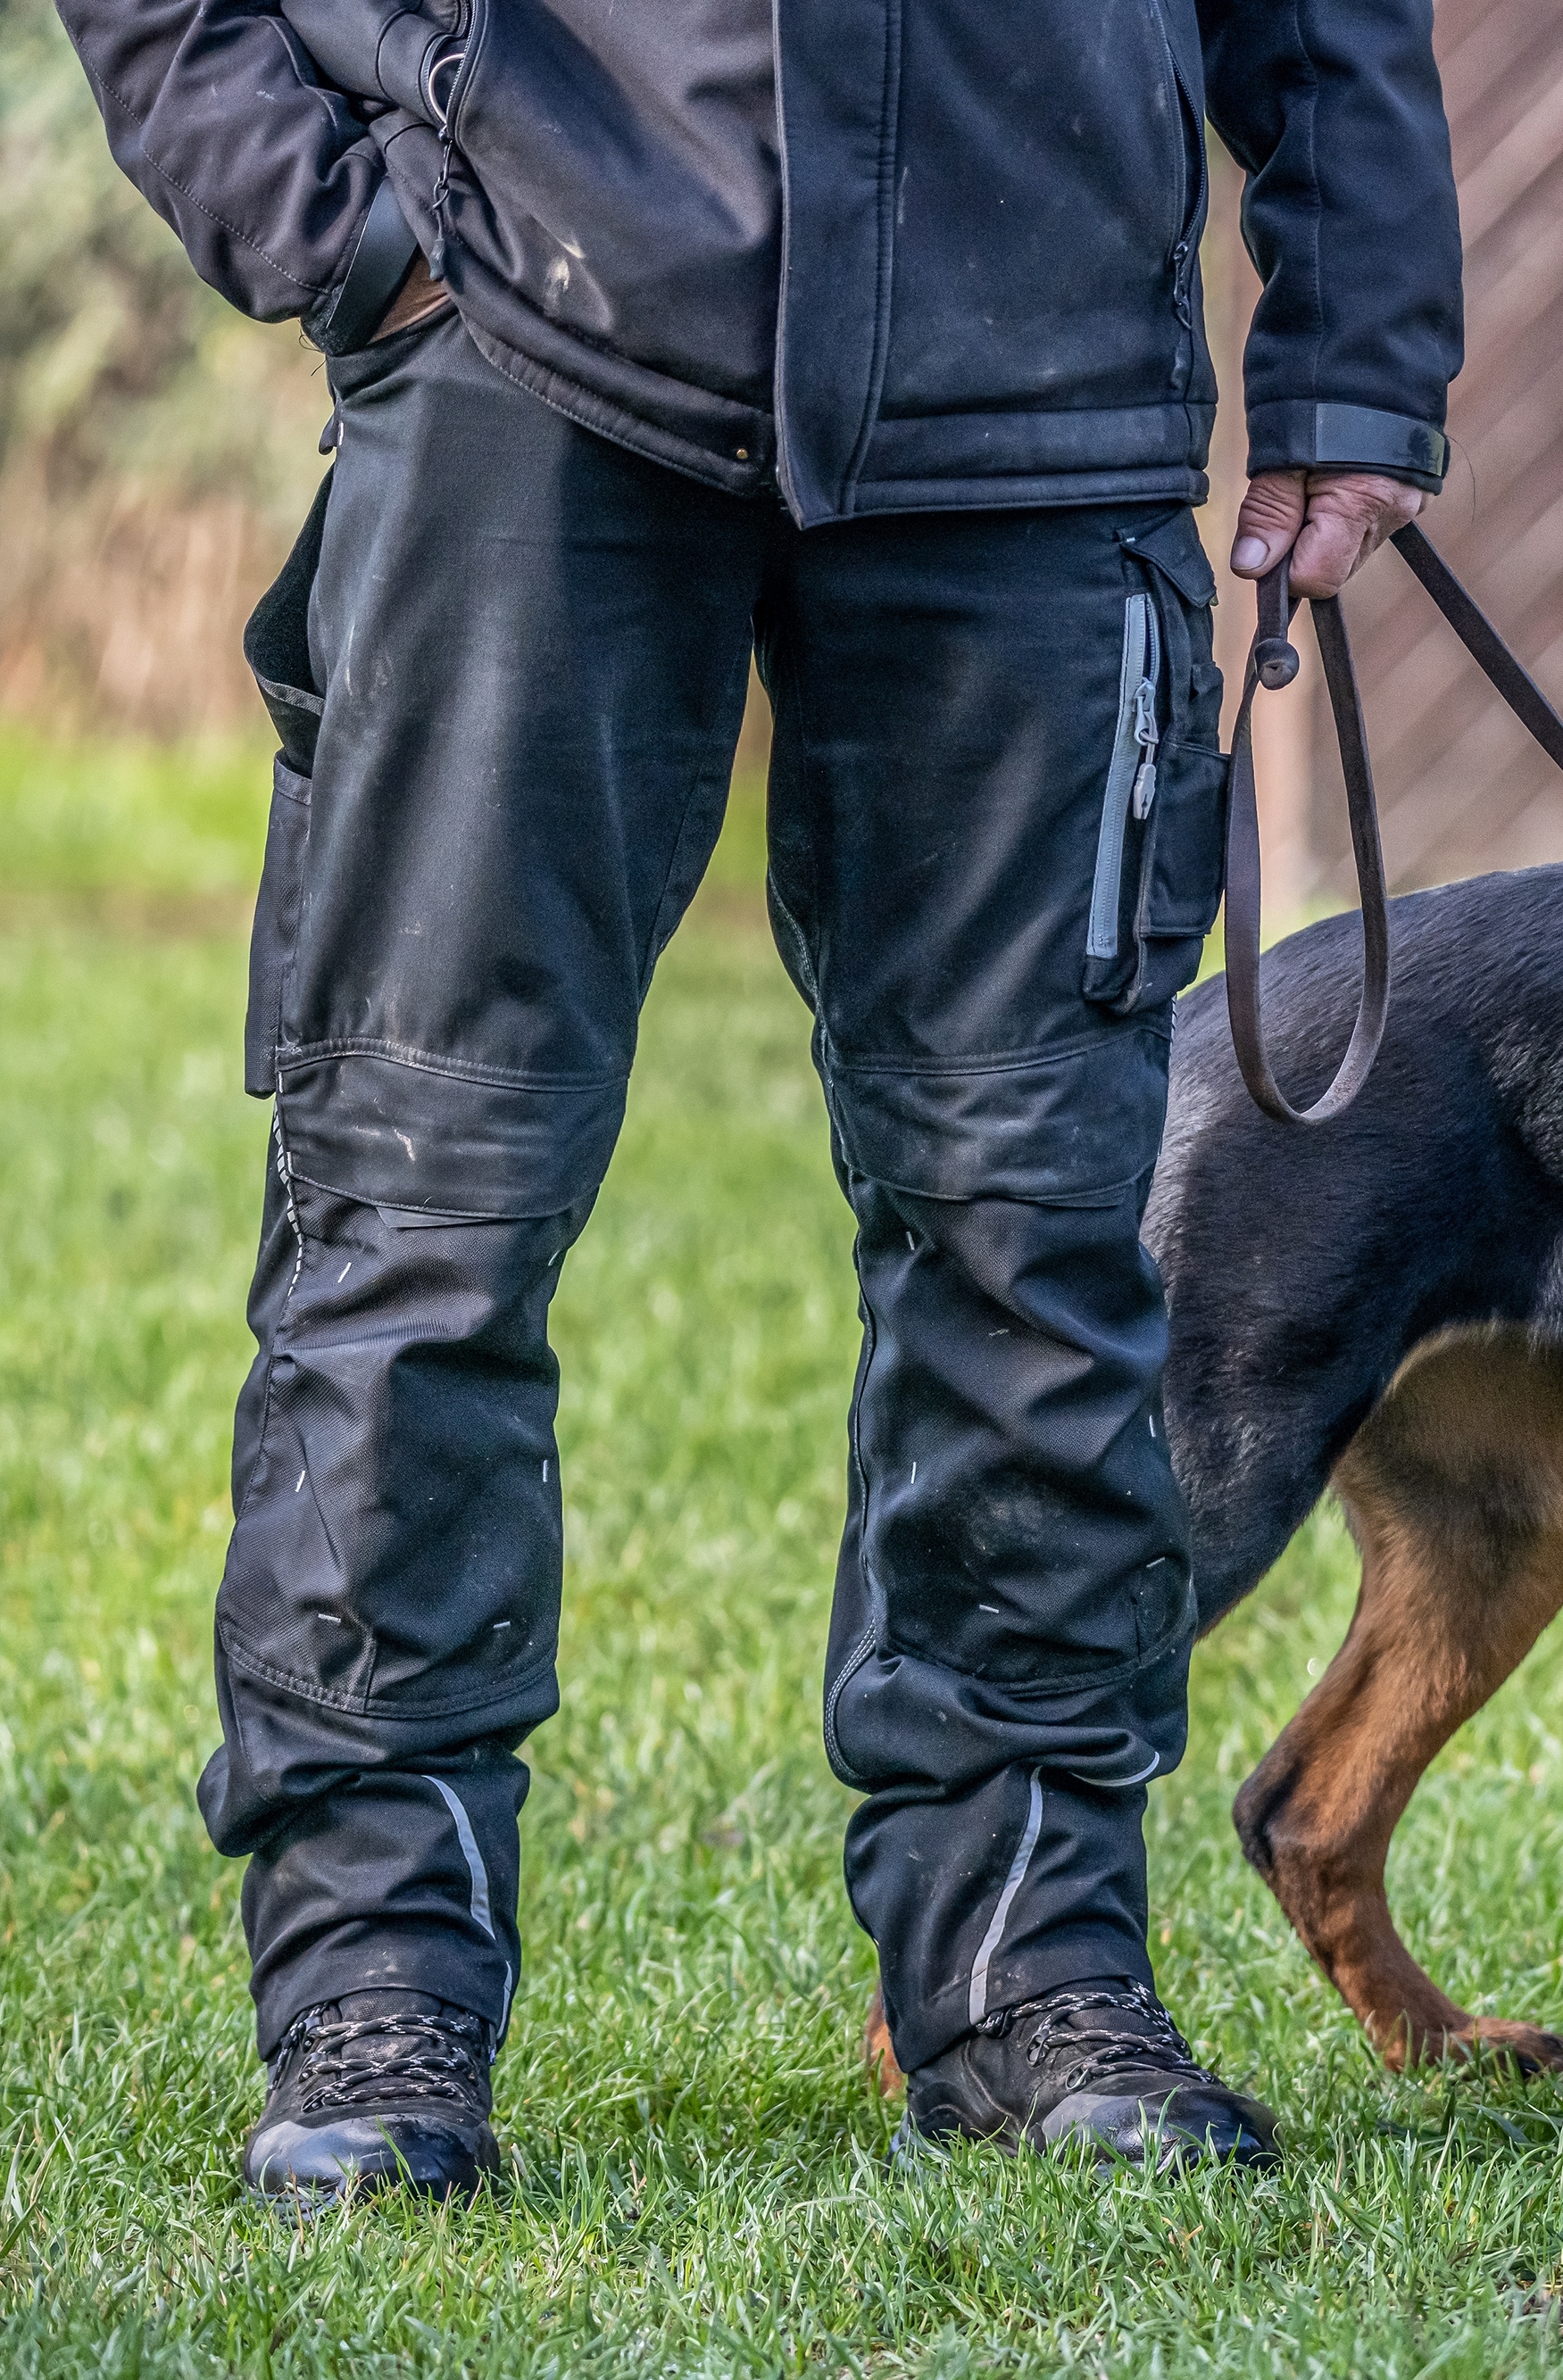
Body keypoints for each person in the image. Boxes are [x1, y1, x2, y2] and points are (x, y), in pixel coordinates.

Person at [55, 0, 1460, 2198]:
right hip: (527, 347)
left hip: (1044, 400)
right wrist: (341, 227)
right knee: (421, 1203)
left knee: (1035, 1219)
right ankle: (375, 1991)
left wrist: (1355, 350)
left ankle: (1024, 1969)